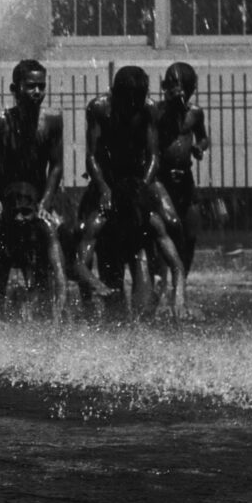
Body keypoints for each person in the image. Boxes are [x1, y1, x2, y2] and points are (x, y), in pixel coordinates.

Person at [76, 65, 185, 319]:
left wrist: (143, 190)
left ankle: (160, 278)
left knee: (171, 222)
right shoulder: (99, 108)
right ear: (116, 94)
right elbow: (91, 157)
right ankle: (91, 306)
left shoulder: (147, 108)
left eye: (139, 98)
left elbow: (154, 156)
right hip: (107, 179)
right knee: (84, 235)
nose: (134, 104)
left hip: (138, 181)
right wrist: (103, 188)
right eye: (129, 100)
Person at [0, 60, 67, 319]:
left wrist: (46, 204)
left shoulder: (52, 121)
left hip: (37, 199)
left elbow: (57, 167)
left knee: (50, 245)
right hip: (5, 199)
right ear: (15, 89)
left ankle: (46, 311)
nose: (37, 92)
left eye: (41, 86)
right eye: (30, 86)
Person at [153, 62, 210, 279]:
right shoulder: (157, 112)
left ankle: (182, 279)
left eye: (179, 87)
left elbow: (203, 137)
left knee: (190, 229)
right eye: (170, 86)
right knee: (163, 228)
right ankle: (160, 277)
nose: (175, 92)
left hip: (185, 178)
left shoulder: (194, 113)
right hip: (162, 179)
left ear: (189, 89)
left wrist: (199, 148)